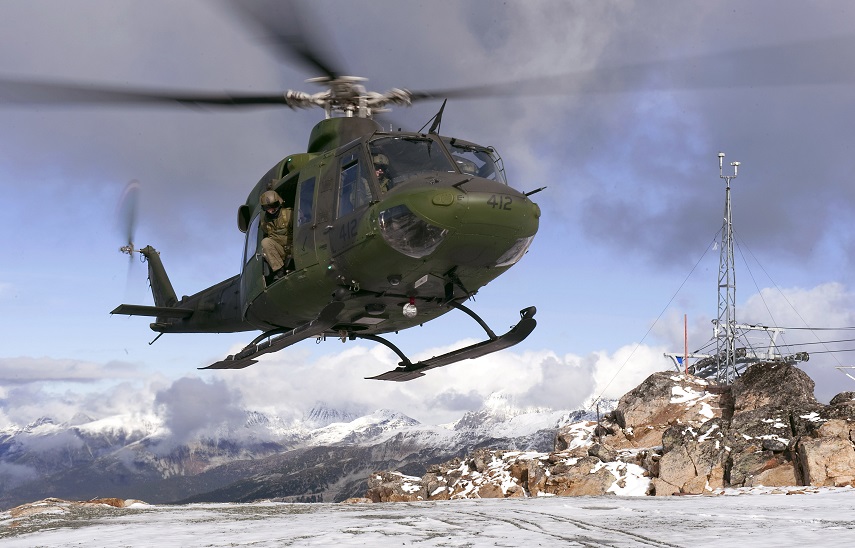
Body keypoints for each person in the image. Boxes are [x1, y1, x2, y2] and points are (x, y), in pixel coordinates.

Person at [259, 189, 293, 282]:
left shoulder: (289, 214)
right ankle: (279, 270)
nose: (270, 210)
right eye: (267, 208)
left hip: (293, 248)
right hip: (280, 251)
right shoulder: (265, 222)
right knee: (265, 242)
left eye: (273, 206)